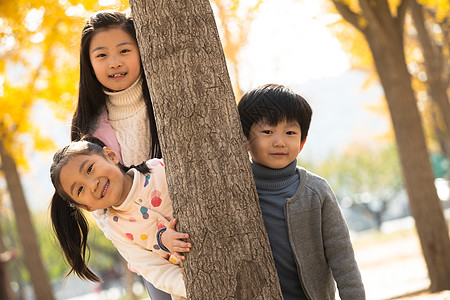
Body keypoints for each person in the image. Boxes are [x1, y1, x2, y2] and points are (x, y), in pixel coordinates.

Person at [71, 10, 170, 298]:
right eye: (101, 55)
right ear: (88, 63)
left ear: (141, 50)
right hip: (150, 247)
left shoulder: (166, 97)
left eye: (124, 50)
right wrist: (156, 238)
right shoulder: (89, 128)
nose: (115, 63)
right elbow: (102, 209)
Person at [237, 84, 366, 300]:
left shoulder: (316, 191)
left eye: (290, 133)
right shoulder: (234, 190)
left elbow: (343, 259)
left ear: (302, 142)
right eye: (267, 131)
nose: (279, 142)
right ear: (245, 140)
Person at [50, 137, 191, 300]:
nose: (92, 185)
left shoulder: (158, 170)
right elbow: (155, 270)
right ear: (87, 208)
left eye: (89, 169)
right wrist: (195, 287)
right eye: (80, 189)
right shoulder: (117, 229)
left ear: (111, 156)